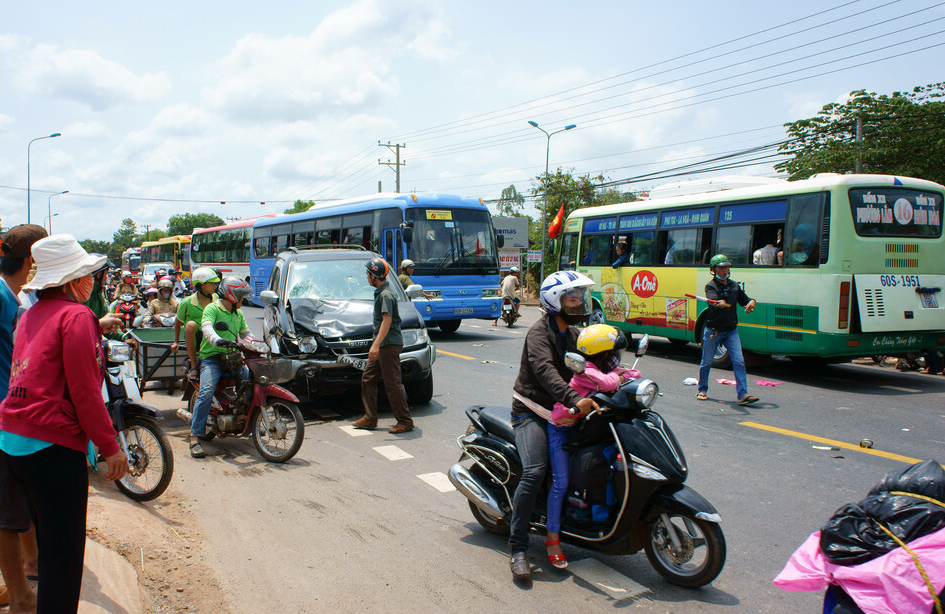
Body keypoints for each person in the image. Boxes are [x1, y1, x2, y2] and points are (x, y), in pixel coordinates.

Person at [0, 234, 127, 614]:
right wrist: (111, 446)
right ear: (72, 280)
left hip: (11, 439)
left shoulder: (30, 313)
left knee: (42, 541)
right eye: (85, 274)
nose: (90, 280)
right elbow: (85, 392)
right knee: (62, 559)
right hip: (51, 446)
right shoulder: (77, 316)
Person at [507, 270, 599, 581]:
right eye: (573, 298)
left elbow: (594, 361)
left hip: (563, 410)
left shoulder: (573, 334)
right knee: (535, 471)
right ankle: (518, 548)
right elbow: (545, 372)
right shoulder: (538, 334)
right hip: (532, 411)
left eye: (580, 297)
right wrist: (575, 398)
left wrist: (619, 375)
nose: (579, 302)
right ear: (554, 301)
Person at [546, 324, 637, 569]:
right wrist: (622, 376)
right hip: (561, 429)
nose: (617, 357)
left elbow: (632, 374)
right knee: (560, 483)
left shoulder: (600, 367)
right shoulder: (586, 369)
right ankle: (552, 538)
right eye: (613, 353)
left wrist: (624, 375)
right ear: (602, 354)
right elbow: (608, 383)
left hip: (584, 429)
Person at [0, 224, 46, 614]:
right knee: (6, 510)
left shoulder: (13, 296)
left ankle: (31, 566)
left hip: (12, 412)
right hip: (3, 414)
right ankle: (21, 596)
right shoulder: (3, 297)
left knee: (19, 497)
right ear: (32, 260)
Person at [189, 277, 252, 458]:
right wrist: (216, 340)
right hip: (212, 359)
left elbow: (247, 334)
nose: (242, 300)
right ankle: (195, 437)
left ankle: (252, 421)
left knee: (252, 382)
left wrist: (261, 343)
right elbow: (207, 327)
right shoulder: (213, 308)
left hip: (233, 359)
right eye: (240, 296)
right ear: (232, 296)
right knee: (206, 392)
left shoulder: (238, 314)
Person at [352, 258, 414, 434]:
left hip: (388, 345)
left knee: (392, 384)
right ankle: (370, 418)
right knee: (368, 378)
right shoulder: (382, 292)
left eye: (368, 274)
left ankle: (405, 421)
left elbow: (387, 320)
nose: (366, 277)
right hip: (384, 344)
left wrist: (375, 345)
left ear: (375, 275)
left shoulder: (385, 295)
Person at [696, 254, 759, 406]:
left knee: (739, 362)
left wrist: (752, 302)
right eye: (721, 268)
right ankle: (702, 390)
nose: (724, 270)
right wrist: (719, 303)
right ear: (713, 270)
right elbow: (713, 302)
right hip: (713, 331)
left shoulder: (734, 286)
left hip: (731, 331)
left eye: (726, 267)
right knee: (706, 362)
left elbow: (745, 300)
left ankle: (742, 395)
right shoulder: (711, 286)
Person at [171, 267, 220, 381]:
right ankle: (194, 365)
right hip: (197, 338)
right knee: (190, 325)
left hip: (212, 336)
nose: (215, 286)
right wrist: (176, 341)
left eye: (215, 283)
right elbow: (178, 321)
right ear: (202, 285)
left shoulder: (216, 298)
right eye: (212, 283)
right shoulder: (187, 302)